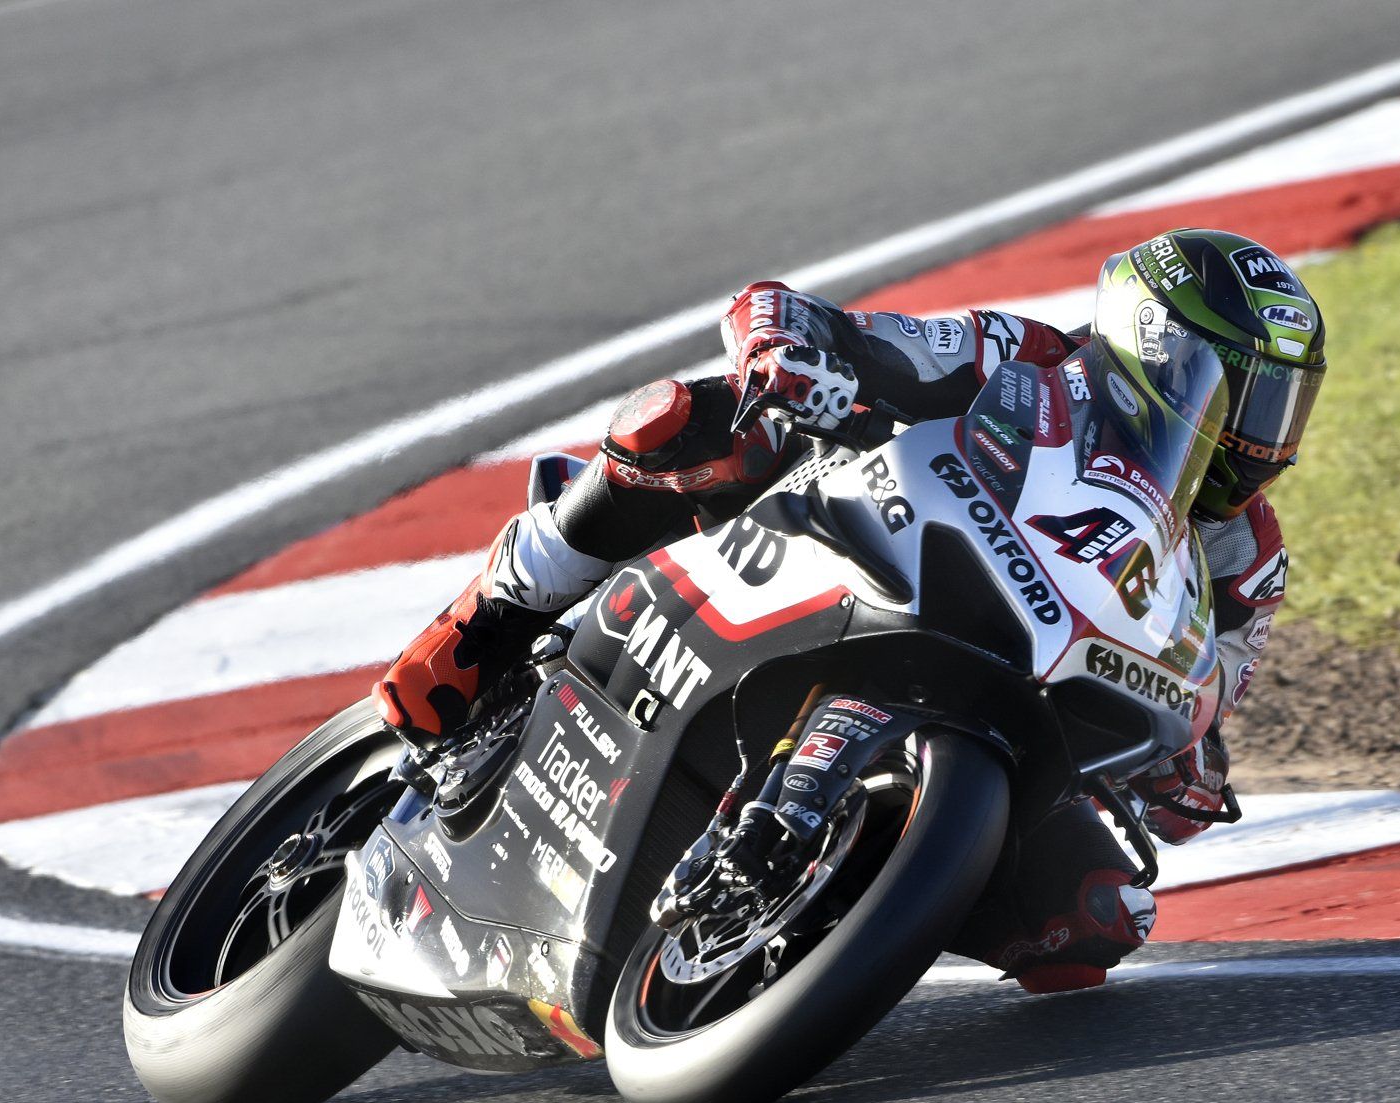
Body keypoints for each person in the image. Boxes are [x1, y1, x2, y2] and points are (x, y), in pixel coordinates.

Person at [374, 229, 1325, 991]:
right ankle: (498, 610)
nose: (1264, 434)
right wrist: (788, 354)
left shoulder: (1249, 559)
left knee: (1090, 917)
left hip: (1024, 689)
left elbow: (1210, 688)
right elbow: (818, 324)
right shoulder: (1025, 357)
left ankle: (824, 930)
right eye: (1251, 392)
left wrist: (1187, 766)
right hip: (848, 548)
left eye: (1286, 404)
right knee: (686, 423)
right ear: (1159, 349)